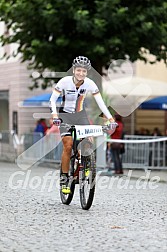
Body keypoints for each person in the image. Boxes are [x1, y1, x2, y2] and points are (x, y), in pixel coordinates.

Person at [49, 56, 117, 194]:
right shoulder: (64, 82)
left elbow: (101, 103)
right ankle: (64, 178)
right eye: (78, 70)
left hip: (81, 115)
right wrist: (55, 116)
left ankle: (87, 165)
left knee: (88, 141)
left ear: (87, 72)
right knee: (68, 146)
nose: (81, 73)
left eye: (84, 71)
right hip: (65, 116)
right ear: (74, 70)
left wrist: (110, 119)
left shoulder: (90, 84)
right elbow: (52, 100)